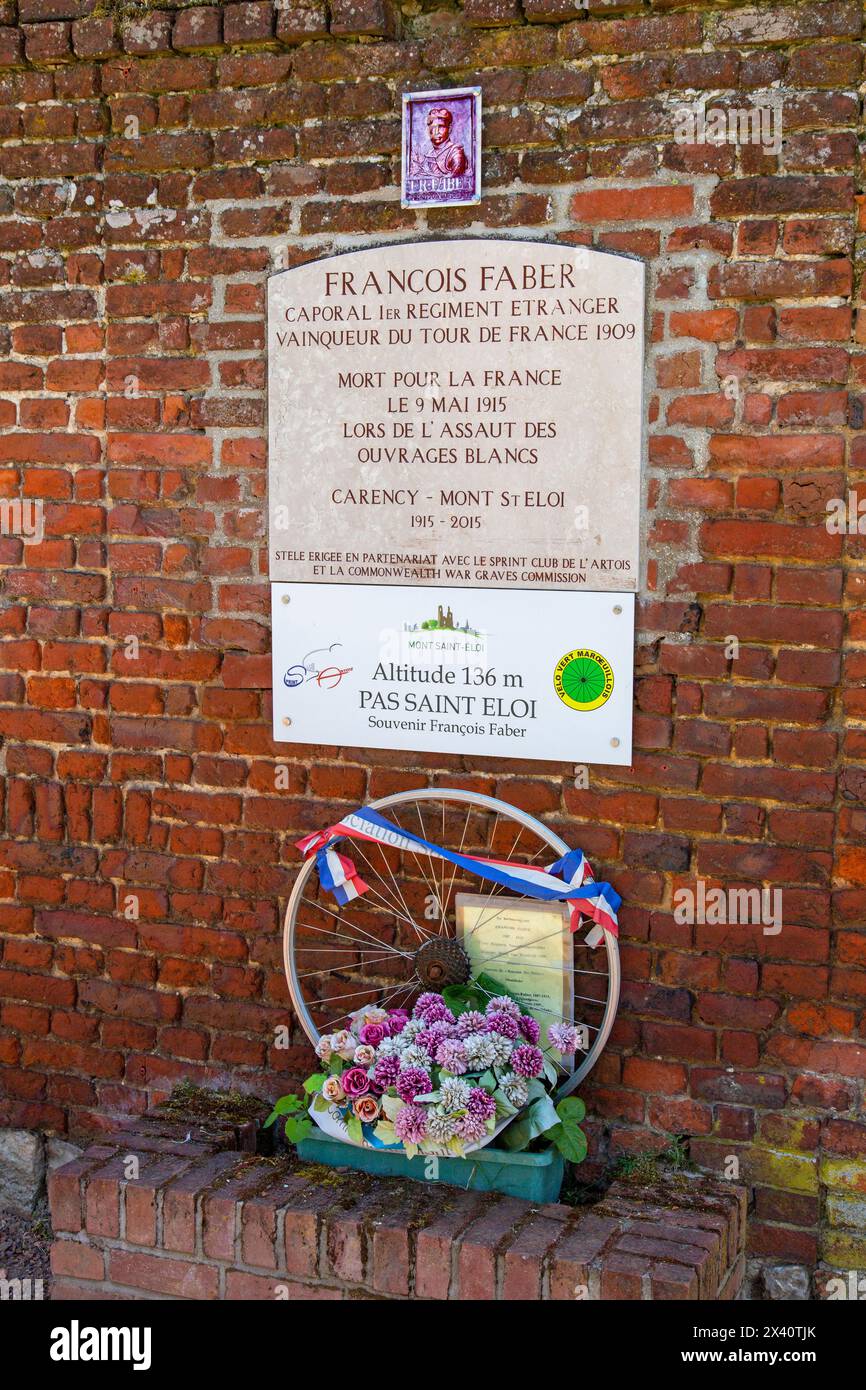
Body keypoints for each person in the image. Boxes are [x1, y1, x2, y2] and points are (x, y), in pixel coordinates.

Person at [410, 105, 469, 180]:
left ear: (449, 129)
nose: (436, 131)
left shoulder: (455, 153)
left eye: (441, 127)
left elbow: (456, 179)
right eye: (433, 127)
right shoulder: (428, 154)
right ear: (428, 130)